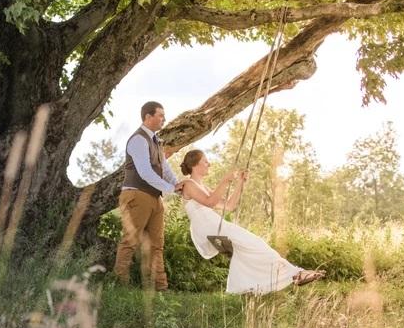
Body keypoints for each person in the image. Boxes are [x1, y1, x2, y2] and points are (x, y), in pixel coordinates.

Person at [179, 149, 324, 294]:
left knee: (254, 247)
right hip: (208, 228)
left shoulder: (202, 187)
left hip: (216, 225)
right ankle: (295, 274)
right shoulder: (189, 184)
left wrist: (240, 183)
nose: (209, 164)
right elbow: (209, 202)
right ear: (195, 165)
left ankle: (289, 275)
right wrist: (225, 180)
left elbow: (229, 206)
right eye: (205, 161)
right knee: (256, 244)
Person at [113, 101, 183, 291]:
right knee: (130, 241)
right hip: (136, 194)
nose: (164, 119)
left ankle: (160, 288)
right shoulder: (138, 139)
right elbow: (145, 172)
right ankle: (120, 287)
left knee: (156, 245)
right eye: (160, 115)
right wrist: (170, 188)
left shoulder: (156, 141)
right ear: (148, 117)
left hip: (154, 197)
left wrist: (177, 185)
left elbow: (165, 168)